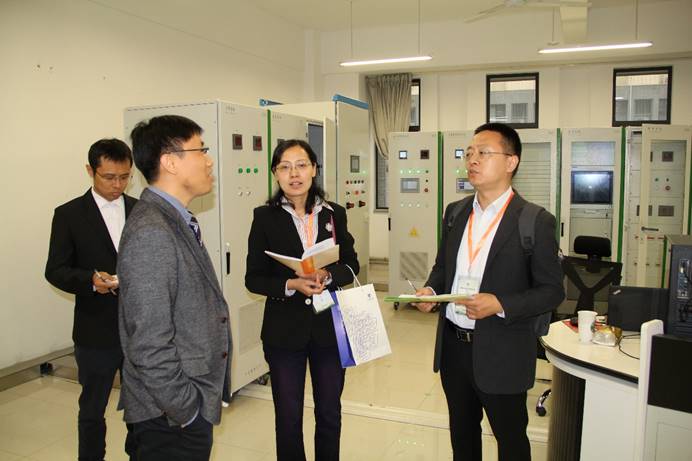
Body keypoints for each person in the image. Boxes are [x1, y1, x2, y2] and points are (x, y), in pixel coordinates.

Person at [414, 123, 564, 461]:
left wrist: (500, 303)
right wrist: (431, 290)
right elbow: (443, 267)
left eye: (484, 153)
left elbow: (552, 291)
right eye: (469, 153)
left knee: (511, 441)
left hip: (503, 349)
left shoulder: (535, 220)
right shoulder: (455, 213)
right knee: (463, 438)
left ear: (511, 162)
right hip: (454, 347)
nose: (472, 160)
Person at [117, 115, 231, 461]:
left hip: (177, 408)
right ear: (170, 162)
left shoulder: (174, 219)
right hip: (168, 416)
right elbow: (149, 343)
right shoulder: (152, 231)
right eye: (201, 150)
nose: (209, 161)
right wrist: (186, 410)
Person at [245, 139, 359, 461]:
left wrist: (328, 275)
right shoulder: (264, 217)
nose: (294, 174)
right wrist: (291, 283)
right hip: (284, 332)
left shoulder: (334, 214)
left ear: (314, 170)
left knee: (329, 413)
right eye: (285, 167)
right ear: (275, 173)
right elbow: (253, 278)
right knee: (288, 417)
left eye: (301, 165)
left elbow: (351, 264)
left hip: (329, 330)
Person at [45, 138, 136, 461]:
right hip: (95, 329)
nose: (117, 185)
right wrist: (90, 281)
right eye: (109, 177)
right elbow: (55, 270)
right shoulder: (69, 214)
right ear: (90, 171)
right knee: (93, 408)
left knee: (142, 408)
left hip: (140, 329)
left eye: (124, 177)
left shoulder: (141, 210)